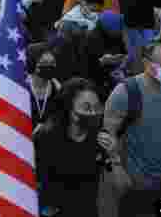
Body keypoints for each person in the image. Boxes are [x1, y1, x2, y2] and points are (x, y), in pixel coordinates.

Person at [103, 39, 161, 216]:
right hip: (138, 185)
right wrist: (117, 167)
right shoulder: (126, 92)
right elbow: (108, 135)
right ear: (146, 63)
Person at [34, 77, 114, 217]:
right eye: (86, 107)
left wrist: (114, 155)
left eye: (97, 108)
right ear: (68, 107)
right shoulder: (46, 137)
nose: (93, 113)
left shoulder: (100, 138)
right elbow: (35, 182)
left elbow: (121, 184)